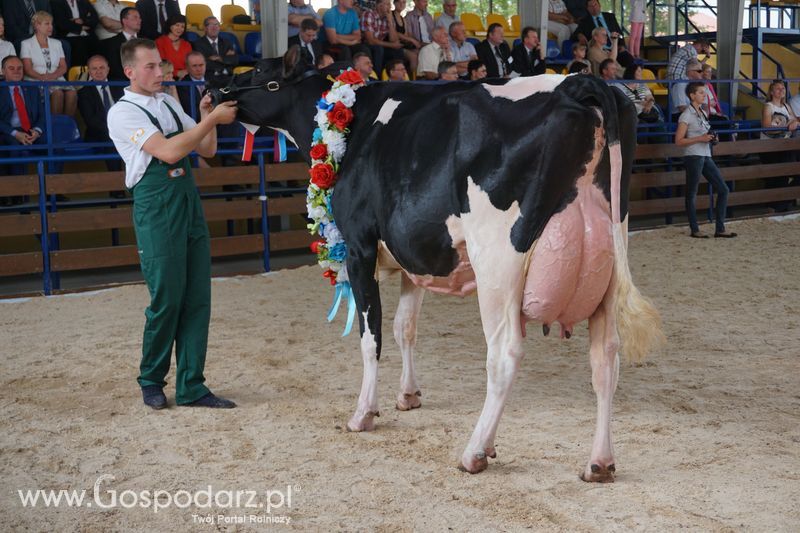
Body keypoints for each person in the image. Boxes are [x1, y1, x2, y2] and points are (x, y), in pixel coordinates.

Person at [107, 38, 239, 409]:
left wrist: (203, 115)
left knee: (198, 295)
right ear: (129, 71)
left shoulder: (167, 100)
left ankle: (192, 385)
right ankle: (151, 379)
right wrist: (210, 120)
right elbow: (167, 151)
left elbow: (207, 149)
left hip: (186, 197)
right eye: (149, 67)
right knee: (167, 296)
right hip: (155, 203)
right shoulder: (122, 112)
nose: (159, 72)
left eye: (161, 64)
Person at [674, 81, 736, 239]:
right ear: (692, 95)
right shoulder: (686, 114)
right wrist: (701, 138)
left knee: (723, 189)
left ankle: (719, 228)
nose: (705, 95)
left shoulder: (702, 112)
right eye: (701, 92)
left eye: (704, 92)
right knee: (692, 193)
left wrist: (711, 138)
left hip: (704, 154)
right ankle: (695, 229)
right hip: (694, 155)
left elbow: (703, 133)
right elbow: (679, 141)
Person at [21, 11, 77, 116]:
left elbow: (63, 66)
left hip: (56, 79)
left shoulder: (57, 43)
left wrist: (52, 76)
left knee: (72, 93)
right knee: (58, 94)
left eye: (51, 24)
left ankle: (67, 127)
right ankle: (54, 128)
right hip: (36, 80)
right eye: (47, 24)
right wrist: (43, 77)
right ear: (37, 25)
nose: (51, 27)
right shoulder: (26, 44)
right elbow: (27, 69)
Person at [0, 55, 46, 176]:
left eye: (19, 68)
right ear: (3, 71)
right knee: (16, 150)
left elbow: (42, 114)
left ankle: (53, 191)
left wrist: (37, 131)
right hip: (8, 132)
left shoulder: (32, 88)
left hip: (31, 131)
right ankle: (18, 193)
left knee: (57, 149)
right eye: (11, 68)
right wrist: (16, 134)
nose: (16, 71)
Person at [77, 54, 123, 171]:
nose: (98, 71)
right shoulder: (84, 92)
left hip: (124, 129)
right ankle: (116, 188)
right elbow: (91, 121)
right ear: (89, 71)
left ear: (108, 69)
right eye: (94, 68)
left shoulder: (120, 86)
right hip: (100, 133)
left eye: (102, 68)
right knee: (111, 142)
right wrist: (115, 131)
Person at [759, 79, 799, 211]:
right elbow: (766, 127)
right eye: (778, 88)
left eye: (783, 88)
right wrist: (787, 127)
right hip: (770, 146)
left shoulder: (787, 106)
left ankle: (780, 204)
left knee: (785, 174)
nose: (781, 90)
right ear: (771, 92)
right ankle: (774, 206)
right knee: (776, 177)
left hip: (785, 145)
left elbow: (795, 120)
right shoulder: (768, 106)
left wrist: (794, 123)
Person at [51, 0, 98, 67]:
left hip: (87, 34)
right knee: (80, 46)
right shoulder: (56, 2)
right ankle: (79, 74)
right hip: (68, 36)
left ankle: (96, 73)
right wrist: (81, 27)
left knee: (96, 43)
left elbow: (94, 19)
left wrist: (82, 20)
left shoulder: (84, 1)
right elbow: (61, 23)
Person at [360, 0, 403, 75]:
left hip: (380, 44)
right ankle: (377, 77)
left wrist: (390, 21)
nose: (390, 7)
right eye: (387, 4)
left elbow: (394, 40)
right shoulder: (369, 14)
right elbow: (370, 40)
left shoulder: (388, 17)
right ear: (379, 6)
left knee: (398, 50)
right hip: (366, 44)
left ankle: (395, 75)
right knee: (378, 49)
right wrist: (391, 45)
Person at [106, 7, 141, 80]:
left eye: (139, 18)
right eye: (135, 17)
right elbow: (114, 69)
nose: (140, 20)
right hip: (122, 84)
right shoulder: (111, 44)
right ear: (124, 21)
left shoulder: (147, 41)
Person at [155, 14, 191, 80]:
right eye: (177, 25)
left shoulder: (186, 44)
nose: (180, 29)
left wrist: (185, 72)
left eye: (182, 26)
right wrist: (176, 73)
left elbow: (190, 63)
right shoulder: (160, 42)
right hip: (165, 78)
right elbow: (161, 64)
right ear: (170, 26)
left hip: (184, 78)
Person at [391, 0, 421, 77]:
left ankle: (420, 76)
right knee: (413, 56)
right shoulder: (391, 15)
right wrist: (411, 40)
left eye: (404, 2)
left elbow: (406, 35)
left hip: (403, 44)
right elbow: (394, 32)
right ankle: (412, 79)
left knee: (419, 52)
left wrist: (412, 41)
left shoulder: (403, 19)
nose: (401, 4)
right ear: (394, 3)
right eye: (399, 2)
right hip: (393, 45)